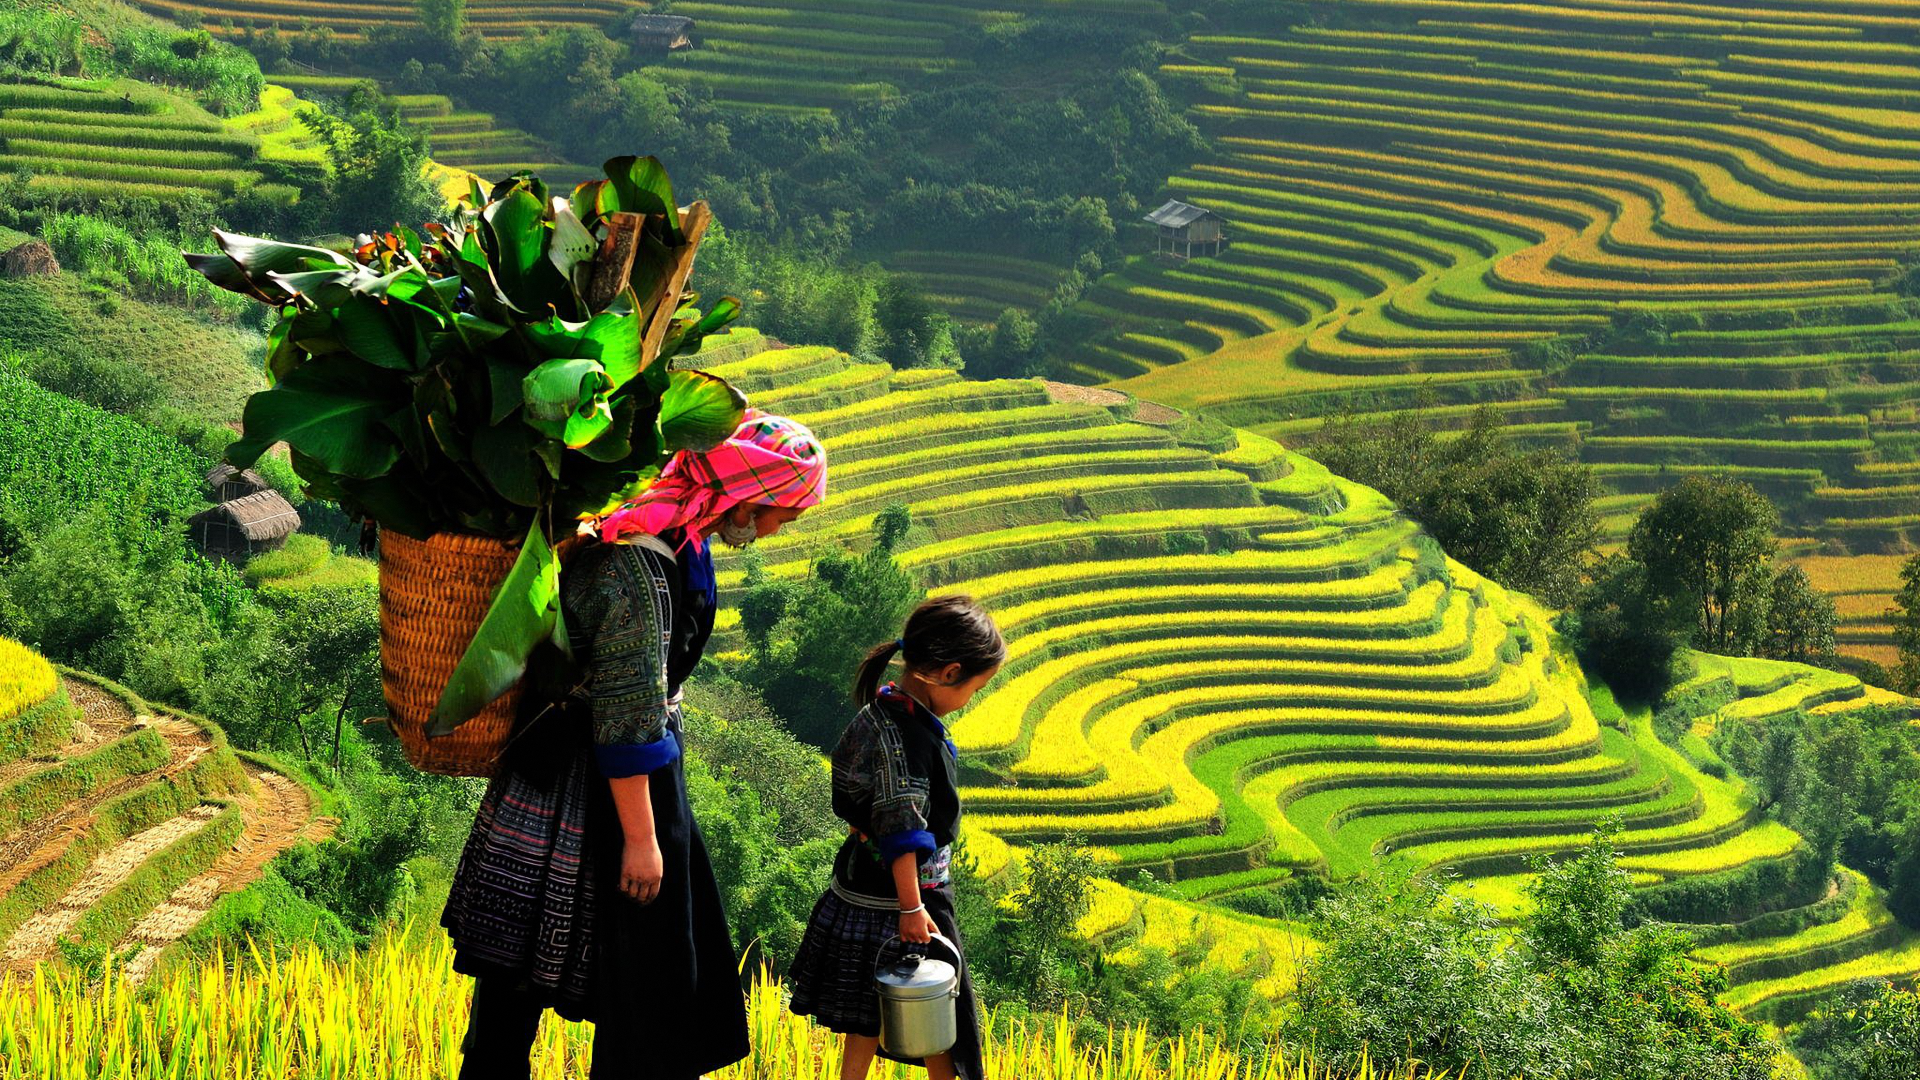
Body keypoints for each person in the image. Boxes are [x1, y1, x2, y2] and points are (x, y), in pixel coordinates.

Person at [440, 409, 828, 1080]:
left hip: (576, 775)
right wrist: (643, 840)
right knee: (576, 990)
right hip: (586, 789)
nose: (771, 531)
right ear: (743, 495)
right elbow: (627, 716)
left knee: (524, 988)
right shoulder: (638, 566)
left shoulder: (673, 534)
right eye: (776, 515)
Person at [785, 594, 1007, 1080]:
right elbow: (902, 829)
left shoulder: (877, 712)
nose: (971, 698)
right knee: (945, 1026)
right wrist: (912, 909)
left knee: (866, 1014)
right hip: (909, 901)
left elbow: (854, 798)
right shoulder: (906, 736)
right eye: (975, 687)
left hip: (858, 887)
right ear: (948, 673)